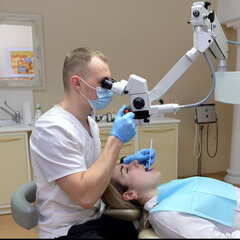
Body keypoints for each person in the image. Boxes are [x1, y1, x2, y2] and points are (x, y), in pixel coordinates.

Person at [30, 47, 155, 239]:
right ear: (77, 83)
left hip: (94, 215)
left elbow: (91, 171)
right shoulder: (52, 128)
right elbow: (86, 197)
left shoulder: (88, 122)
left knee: (140, 226)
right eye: (103, 82)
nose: (110, 89)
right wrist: (116, 141)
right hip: (67, 227)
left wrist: (124, 161)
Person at [102, 160, 240, 238]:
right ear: (130, 194)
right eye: (126, 170)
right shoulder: (165, 215)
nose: (135, 162)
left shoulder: (172, 190)